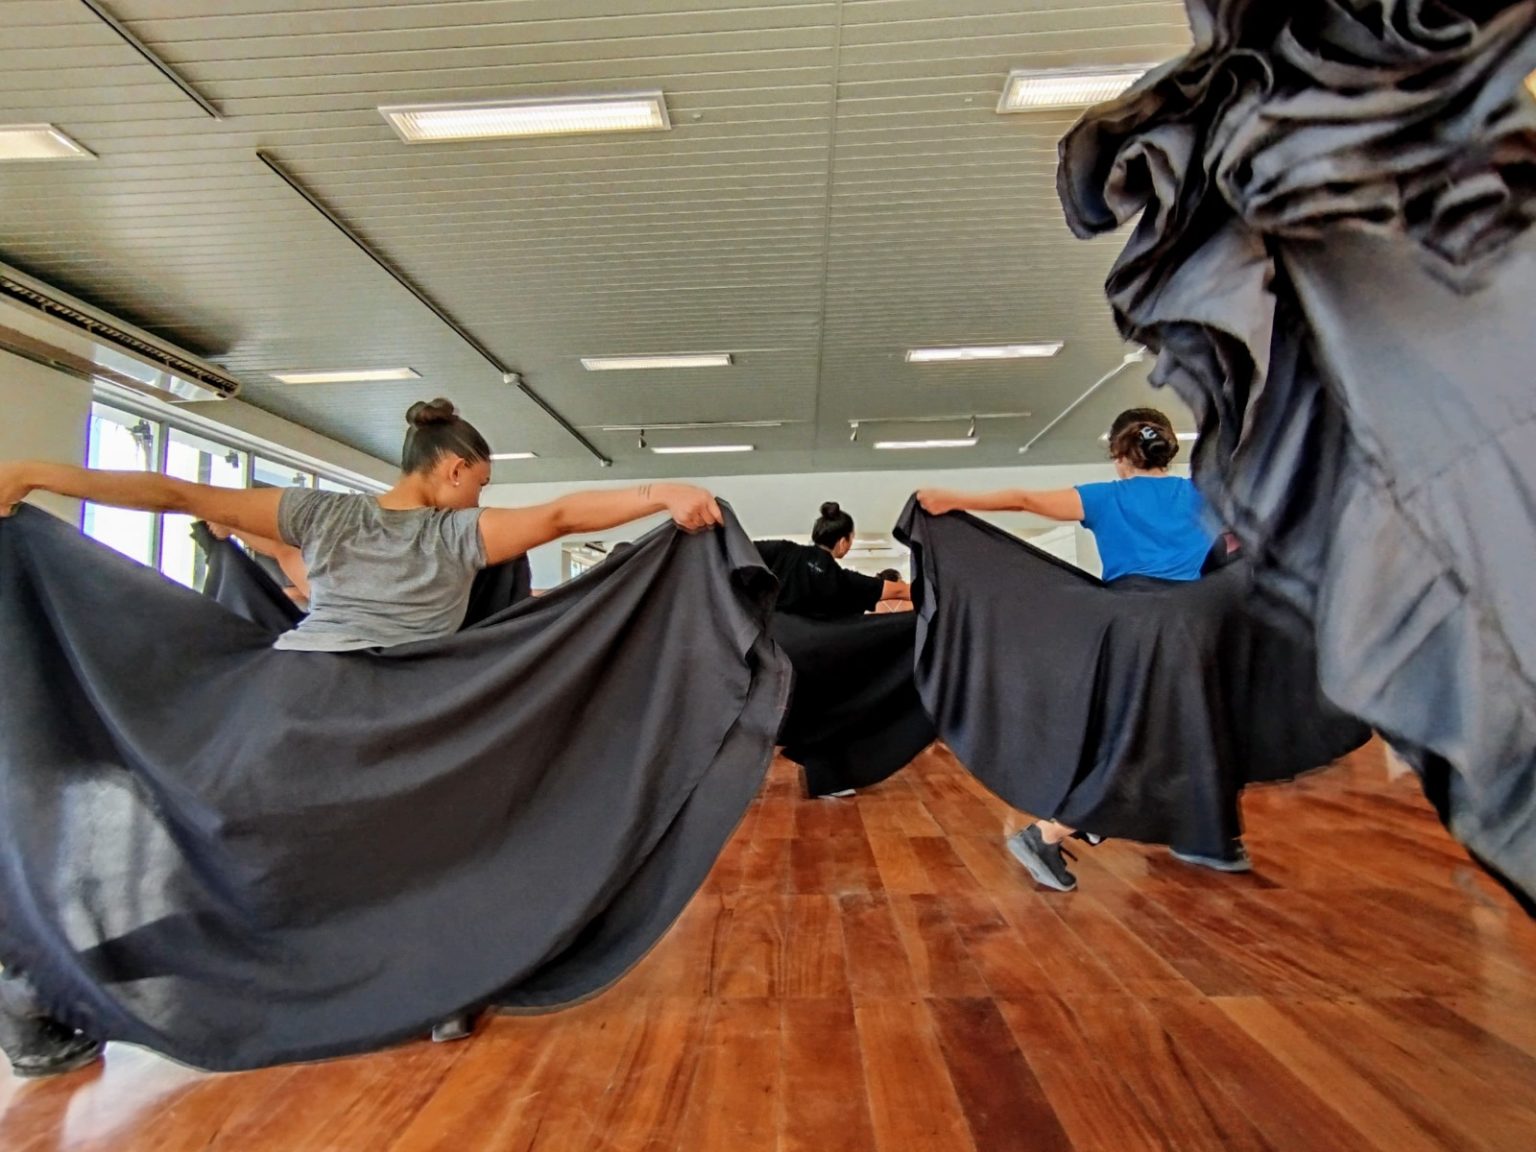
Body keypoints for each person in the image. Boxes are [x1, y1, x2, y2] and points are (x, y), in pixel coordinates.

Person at [0, 397, 723, 1076]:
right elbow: (563, 515)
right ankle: (439, 992)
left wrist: (34, 473)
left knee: (239, 875)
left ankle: (34, 989)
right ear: (453, 469)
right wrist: (659, 493)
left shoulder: (321, 512)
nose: (480, 496)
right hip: (374, 716)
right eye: (480, 483)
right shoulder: (456, 533)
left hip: (276, 708)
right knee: (427, 855)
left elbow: (177, 493)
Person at [917, 407, 1233, 891]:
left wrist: (955, 499)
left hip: (1131, 630)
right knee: (1156, 739)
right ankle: (1050, 833)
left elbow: (1025, 499)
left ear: (1120, 455)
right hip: (1183, 631)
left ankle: (1188, 832)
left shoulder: (1106, 497)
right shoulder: (1203, 495)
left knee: (1163, 737)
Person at [755, 502, 910, 620]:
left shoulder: (783, 550)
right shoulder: (842, 580)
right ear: (843, 542)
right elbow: (898, 590)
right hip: (807, 646)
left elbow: (743, 551)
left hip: (768, 636)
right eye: (851, 538)